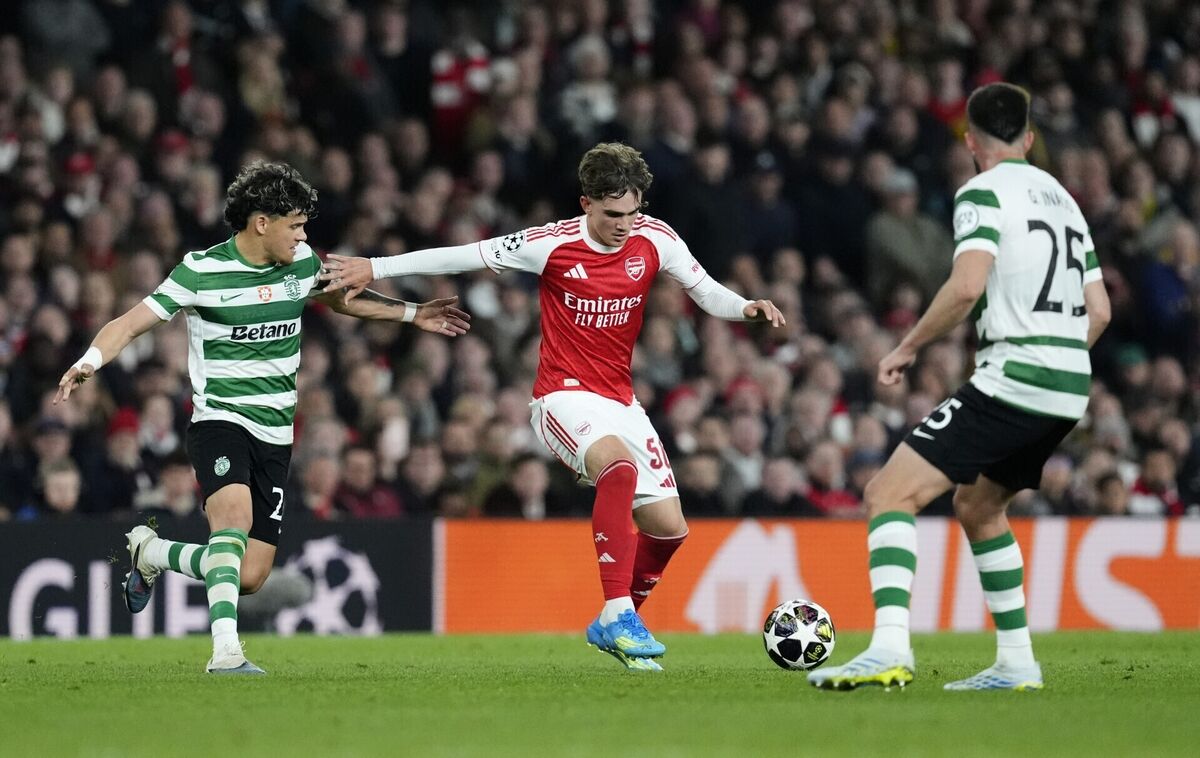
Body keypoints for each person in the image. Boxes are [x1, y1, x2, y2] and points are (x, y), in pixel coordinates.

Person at [320, 142, 784, 671]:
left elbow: (705, 290)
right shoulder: (551, 244)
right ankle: (616, 613)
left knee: (669, 528)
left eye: (633, 213)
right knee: (620, 468)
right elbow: (462, 254)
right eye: (613, 214)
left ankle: (619, 620)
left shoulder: (655, 238)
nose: (625, 225)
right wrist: (374, 266)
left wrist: (745, 306)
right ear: (586, 203)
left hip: (621, 401)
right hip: (561, 397)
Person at [55, 162, 470, 675]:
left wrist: (412, 314)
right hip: (220, 422)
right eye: (295, 225)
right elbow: (130, 323)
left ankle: (152, 551)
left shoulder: (299, 266)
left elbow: (341, 301)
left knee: (248, 575)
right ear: (261, 223)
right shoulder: (201, 271)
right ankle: (226, 652)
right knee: (232, 522)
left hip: (276, 435)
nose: (303, 236)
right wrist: (89, 362)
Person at [808, 84, 1111, 692]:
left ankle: (889, 649)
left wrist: (908, 346)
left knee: (888, 493)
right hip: (1068, 385)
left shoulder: (981, 191)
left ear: (970, 142)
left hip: (1015, 377)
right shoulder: (1066, 203)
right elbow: (1098, 309)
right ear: (1028, 139)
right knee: (978, 506)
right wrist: (1059, 358)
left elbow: (967, 285)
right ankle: (1017, 661)